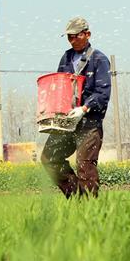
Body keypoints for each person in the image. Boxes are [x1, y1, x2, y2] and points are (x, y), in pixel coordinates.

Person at [40, 17, 112, 198]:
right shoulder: (66, 57)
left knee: (85, 164)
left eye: (76, 36)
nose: (72, 40)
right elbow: (60, 85)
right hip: (67, 122)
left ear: (87, 34)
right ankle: (77, 198)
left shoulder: (99, 59)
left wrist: (84, 108)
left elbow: (103, 93)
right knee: (49, 158)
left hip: (89, 123)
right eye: (69, 37)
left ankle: (90, 209)